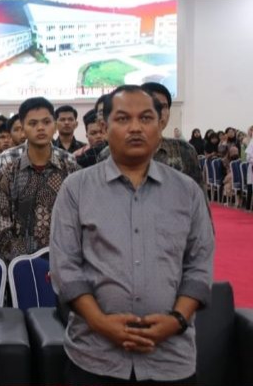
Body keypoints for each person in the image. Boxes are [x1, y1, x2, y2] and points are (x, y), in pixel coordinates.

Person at [50, 85, 214, 385]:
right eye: (123, 118)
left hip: (170, 358)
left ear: (160, 124)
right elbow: (65, 267)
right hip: (95, 356)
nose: (136, 127)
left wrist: (176, 320)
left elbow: (199, 265)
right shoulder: (76, 189)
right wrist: (100, 322)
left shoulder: (187, 191)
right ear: (104, 127)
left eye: (146, 118)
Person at [0, 97, 78, 263]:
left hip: (67, 262)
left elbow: (81, 217)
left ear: (55, 126)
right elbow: (1, 224)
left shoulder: (71, 170)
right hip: (21, 266)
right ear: (23, 128)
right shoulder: (8, 174)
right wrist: (25, 263)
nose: (41, 128)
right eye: (33, 123)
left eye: (46, 122)